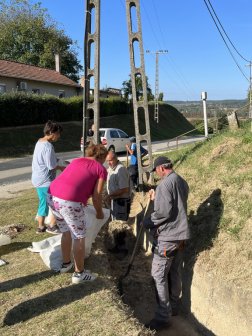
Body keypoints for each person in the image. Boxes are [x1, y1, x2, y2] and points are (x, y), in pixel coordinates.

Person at [47, 144, 108, 284]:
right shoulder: (100, 168)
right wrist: (99, 212)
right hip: (70, 201)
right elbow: (97, 197)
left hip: (52, 196)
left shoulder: (75, 161)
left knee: (66, 232)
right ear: (102, 156)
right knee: (79, 236)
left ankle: (66, 264)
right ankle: (79, 273)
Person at [141, 156, 190, 331]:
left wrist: (146, 222)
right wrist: (157, 197)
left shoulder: (164, 185)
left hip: (167, 238)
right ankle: (174, 307)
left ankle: (163, 316)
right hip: (179, 236)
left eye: (156, 171)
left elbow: (163, 213)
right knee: (175, 271)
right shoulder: (181, 181)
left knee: (158, 275)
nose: (157, 174)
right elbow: (174, 205)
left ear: (161, 168)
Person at [31, 120, 67, 234]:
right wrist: (62, 167)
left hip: (37, 179)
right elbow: (51, 166)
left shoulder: (40, 142)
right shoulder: (49, 146)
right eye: (58, 133)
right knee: (57, 202)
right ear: (51, 132)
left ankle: (41, 227)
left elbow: (48, 160)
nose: (59, 136)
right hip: (46, 180)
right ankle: (52, 226)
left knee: (43, 202)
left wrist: (61, 161)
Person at [104, 151, 131, 259]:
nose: (109, 163)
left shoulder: (121, 170)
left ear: (116, 159)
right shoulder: (112, 168)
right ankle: (117, 246)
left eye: (110, 160)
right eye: (107, 161)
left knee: (119, 226)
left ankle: (122, 249)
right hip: (115, 201)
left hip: (121, 203)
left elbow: (124, 189)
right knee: (115, 224)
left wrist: (110, 195)